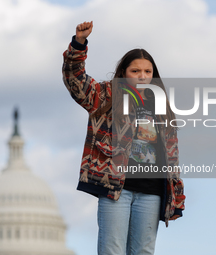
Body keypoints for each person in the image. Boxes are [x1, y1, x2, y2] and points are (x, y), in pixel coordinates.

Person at [62, 21, 185, 255]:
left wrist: (176, 195)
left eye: (147, 71)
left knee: (144, 251)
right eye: (135, 71)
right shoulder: (107, 95)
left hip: (152, 191)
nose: (142, 76)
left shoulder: (162, 106)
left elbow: (172, 155)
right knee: (112, 250)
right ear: (123, 73)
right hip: (116, 187)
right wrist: (79, 44)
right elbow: (75, 80)